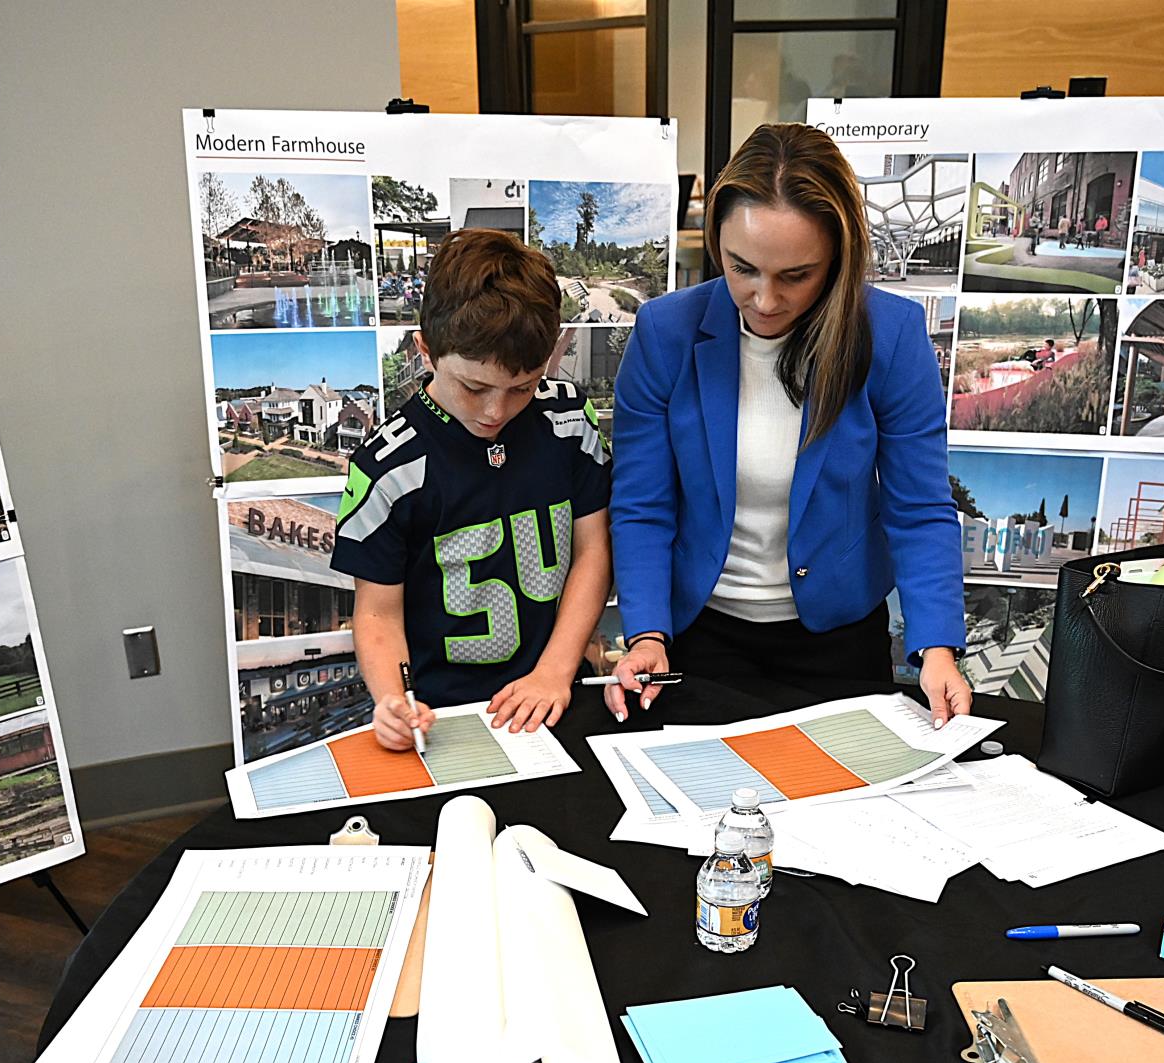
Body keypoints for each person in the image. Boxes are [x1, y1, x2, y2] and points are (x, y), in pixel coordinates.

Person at [605, 122, 969, 725]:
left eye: (796, 275)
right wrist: (647, 632)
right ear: (714, 237)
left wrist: (936, 647)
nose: (766, 299)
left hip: (839, 638)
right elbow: (643, 503)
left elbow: (919, 507)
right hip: (702, 635)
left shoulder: (892, 336)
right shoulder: (665, 333)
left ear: (838, 257)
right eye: (741, 267)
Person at [331, 228, 613, 751]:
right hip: (446, 715)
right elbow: (376, 611)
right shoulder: (388, 464)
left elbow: (593, 550)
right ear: (425, 351)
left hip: (553, 692)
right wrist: (396, 699)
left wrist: (555, 669)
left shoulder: (570, 419)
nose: (495, 412)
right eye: (474, 387)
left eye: (523, 388)